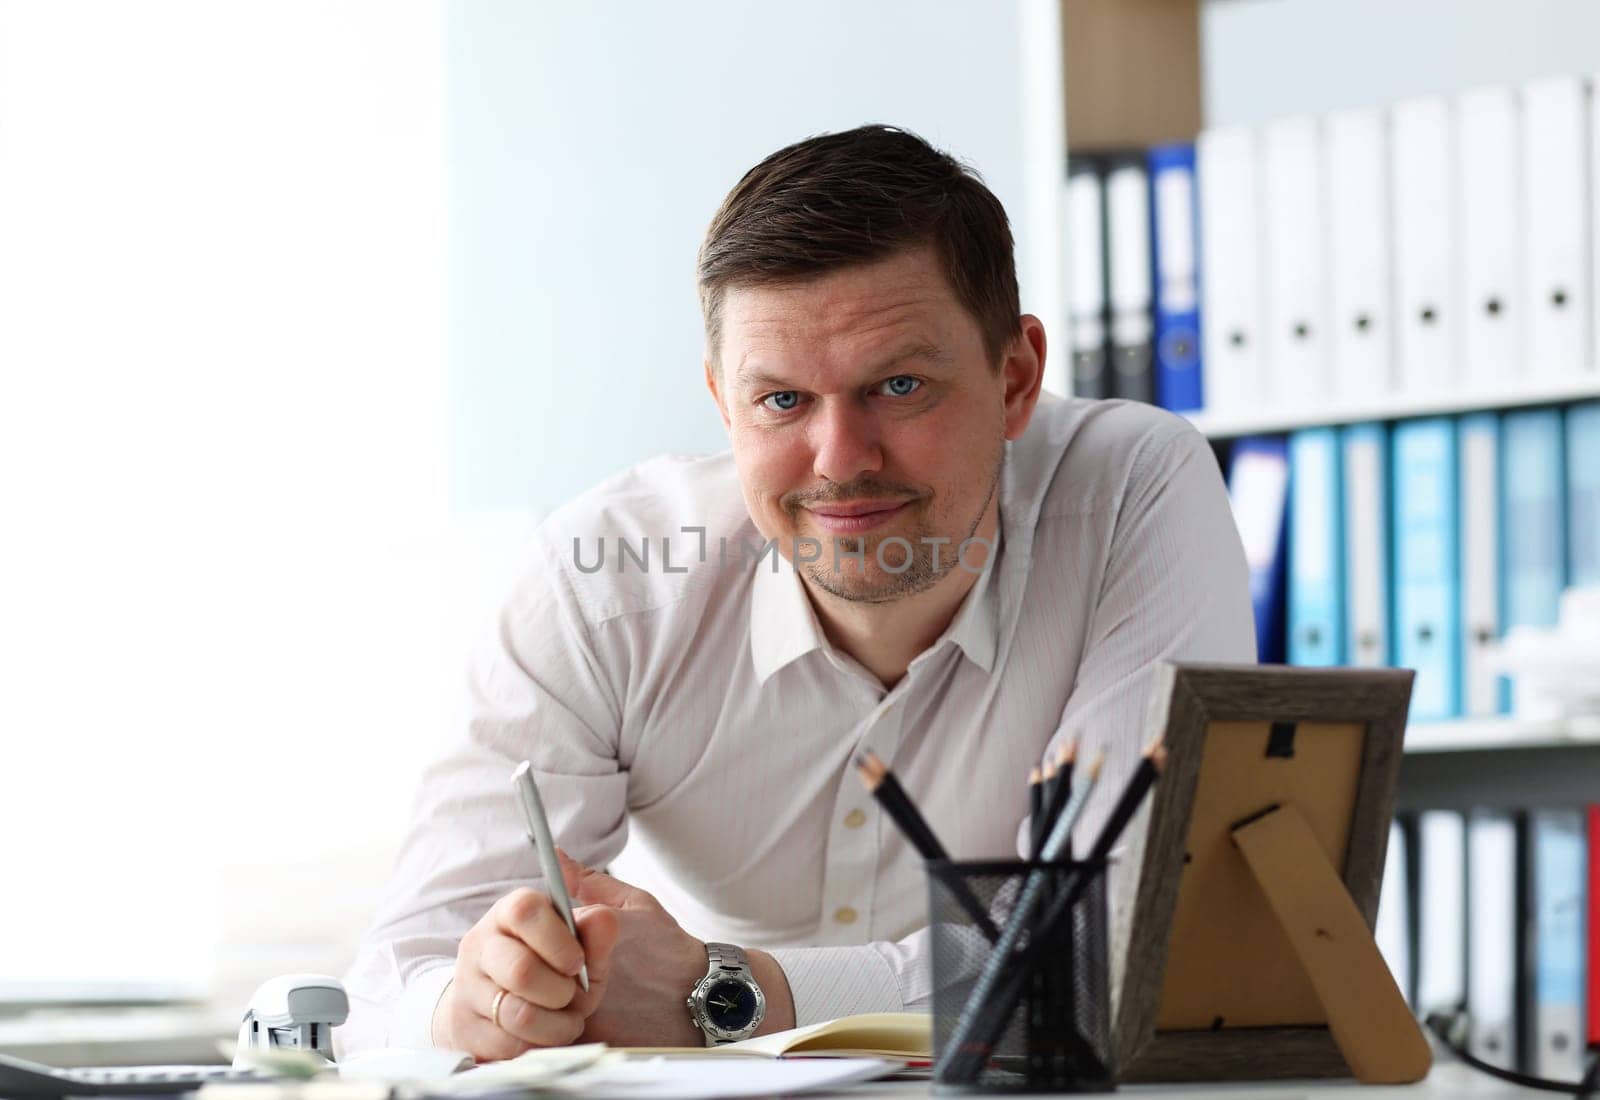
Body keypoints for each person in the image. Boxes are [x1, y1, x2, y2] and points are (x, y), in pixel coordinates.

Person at [340, 124, 1254, 1059]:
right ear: (722, 401)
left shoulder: (1129, 494)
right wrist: (474, 1002)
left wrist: (737, 992)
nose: (840, 461)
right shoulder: (604, 585)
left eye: (898, 385)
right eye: (781, 401)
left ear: (1014, 378)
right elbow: (389, 984)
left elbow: (1130, 941)